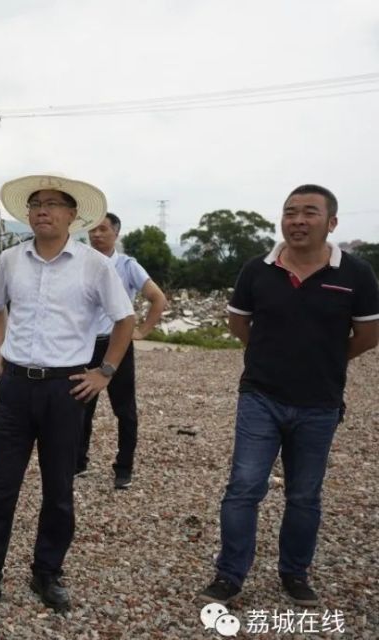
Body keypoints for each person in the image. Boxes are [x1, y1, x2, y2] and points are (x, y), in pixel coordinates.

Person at [0, 174, 135, 614]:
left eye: (53, 204)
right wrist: (1, 347)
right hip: (15, 387)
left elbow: (125, 319)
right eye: (36, 203)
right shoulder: (11, 259)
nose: (43, 210)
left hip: (66, 388)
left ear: (73, 216)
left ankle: (47, 572)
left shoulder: (95, 265)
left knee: (58, 489)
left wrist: (105, 372)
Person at [197, 184, 378, 608]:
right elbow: (239, 325)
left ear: (331, 222)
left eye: (309, 212)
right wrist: (268, 355)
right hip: (260, 396)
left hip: (320, 402)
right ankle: (229, 575)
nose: (298, 220)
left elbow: (368, 334)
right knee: (243, 486)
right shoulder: (256, 270)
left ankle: (294, 573)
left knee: (304, 494)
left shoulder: (355, 274)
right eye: (290, 211)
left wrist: (328, 359)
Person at [78, 212, 167, 489]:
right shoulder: (81, 262)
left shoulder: (128, 266)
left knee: (124, 410)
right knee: (80, 406)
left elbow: (157, 298)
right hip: (85, 345)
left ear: (116, 233)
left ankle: (124, 467)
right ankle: (77, 462)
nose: (97, 235)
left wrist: (141, 331)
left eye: (103, 229)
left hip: (117, 343)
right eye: (92, 230)